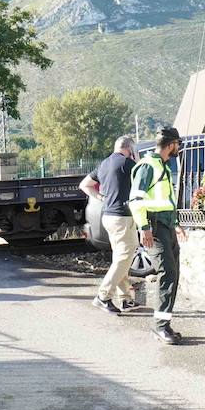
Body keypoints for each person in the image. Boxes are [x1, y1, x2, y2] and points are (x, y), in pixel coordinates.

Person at [128, 127, 187, 344]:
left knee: (173, 275)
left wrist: (176, 224)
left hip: (166, 226)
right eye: (177, 144)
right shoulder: (148, 166)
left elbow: (166, 199)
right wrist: (144, 228)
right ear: (171, 144)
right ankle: (161, 327)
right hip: (153, 227)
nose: (178, 148)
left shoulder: (162, 165)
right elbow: (135, 201)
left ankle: (165, 325)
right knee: (167, 273)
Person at [81, 134, 140, 314]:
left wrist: (101, 198)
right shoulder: (127, 164)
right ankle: (103, 296)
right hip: (122, 217)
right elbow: (142, 178)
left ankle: (126, 299)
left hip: (107, 216)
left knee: (120, 258)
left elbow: (85, 184)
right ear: (129, 150)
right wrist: (136, 160)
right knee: (124, 257)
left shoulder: (104, 164)